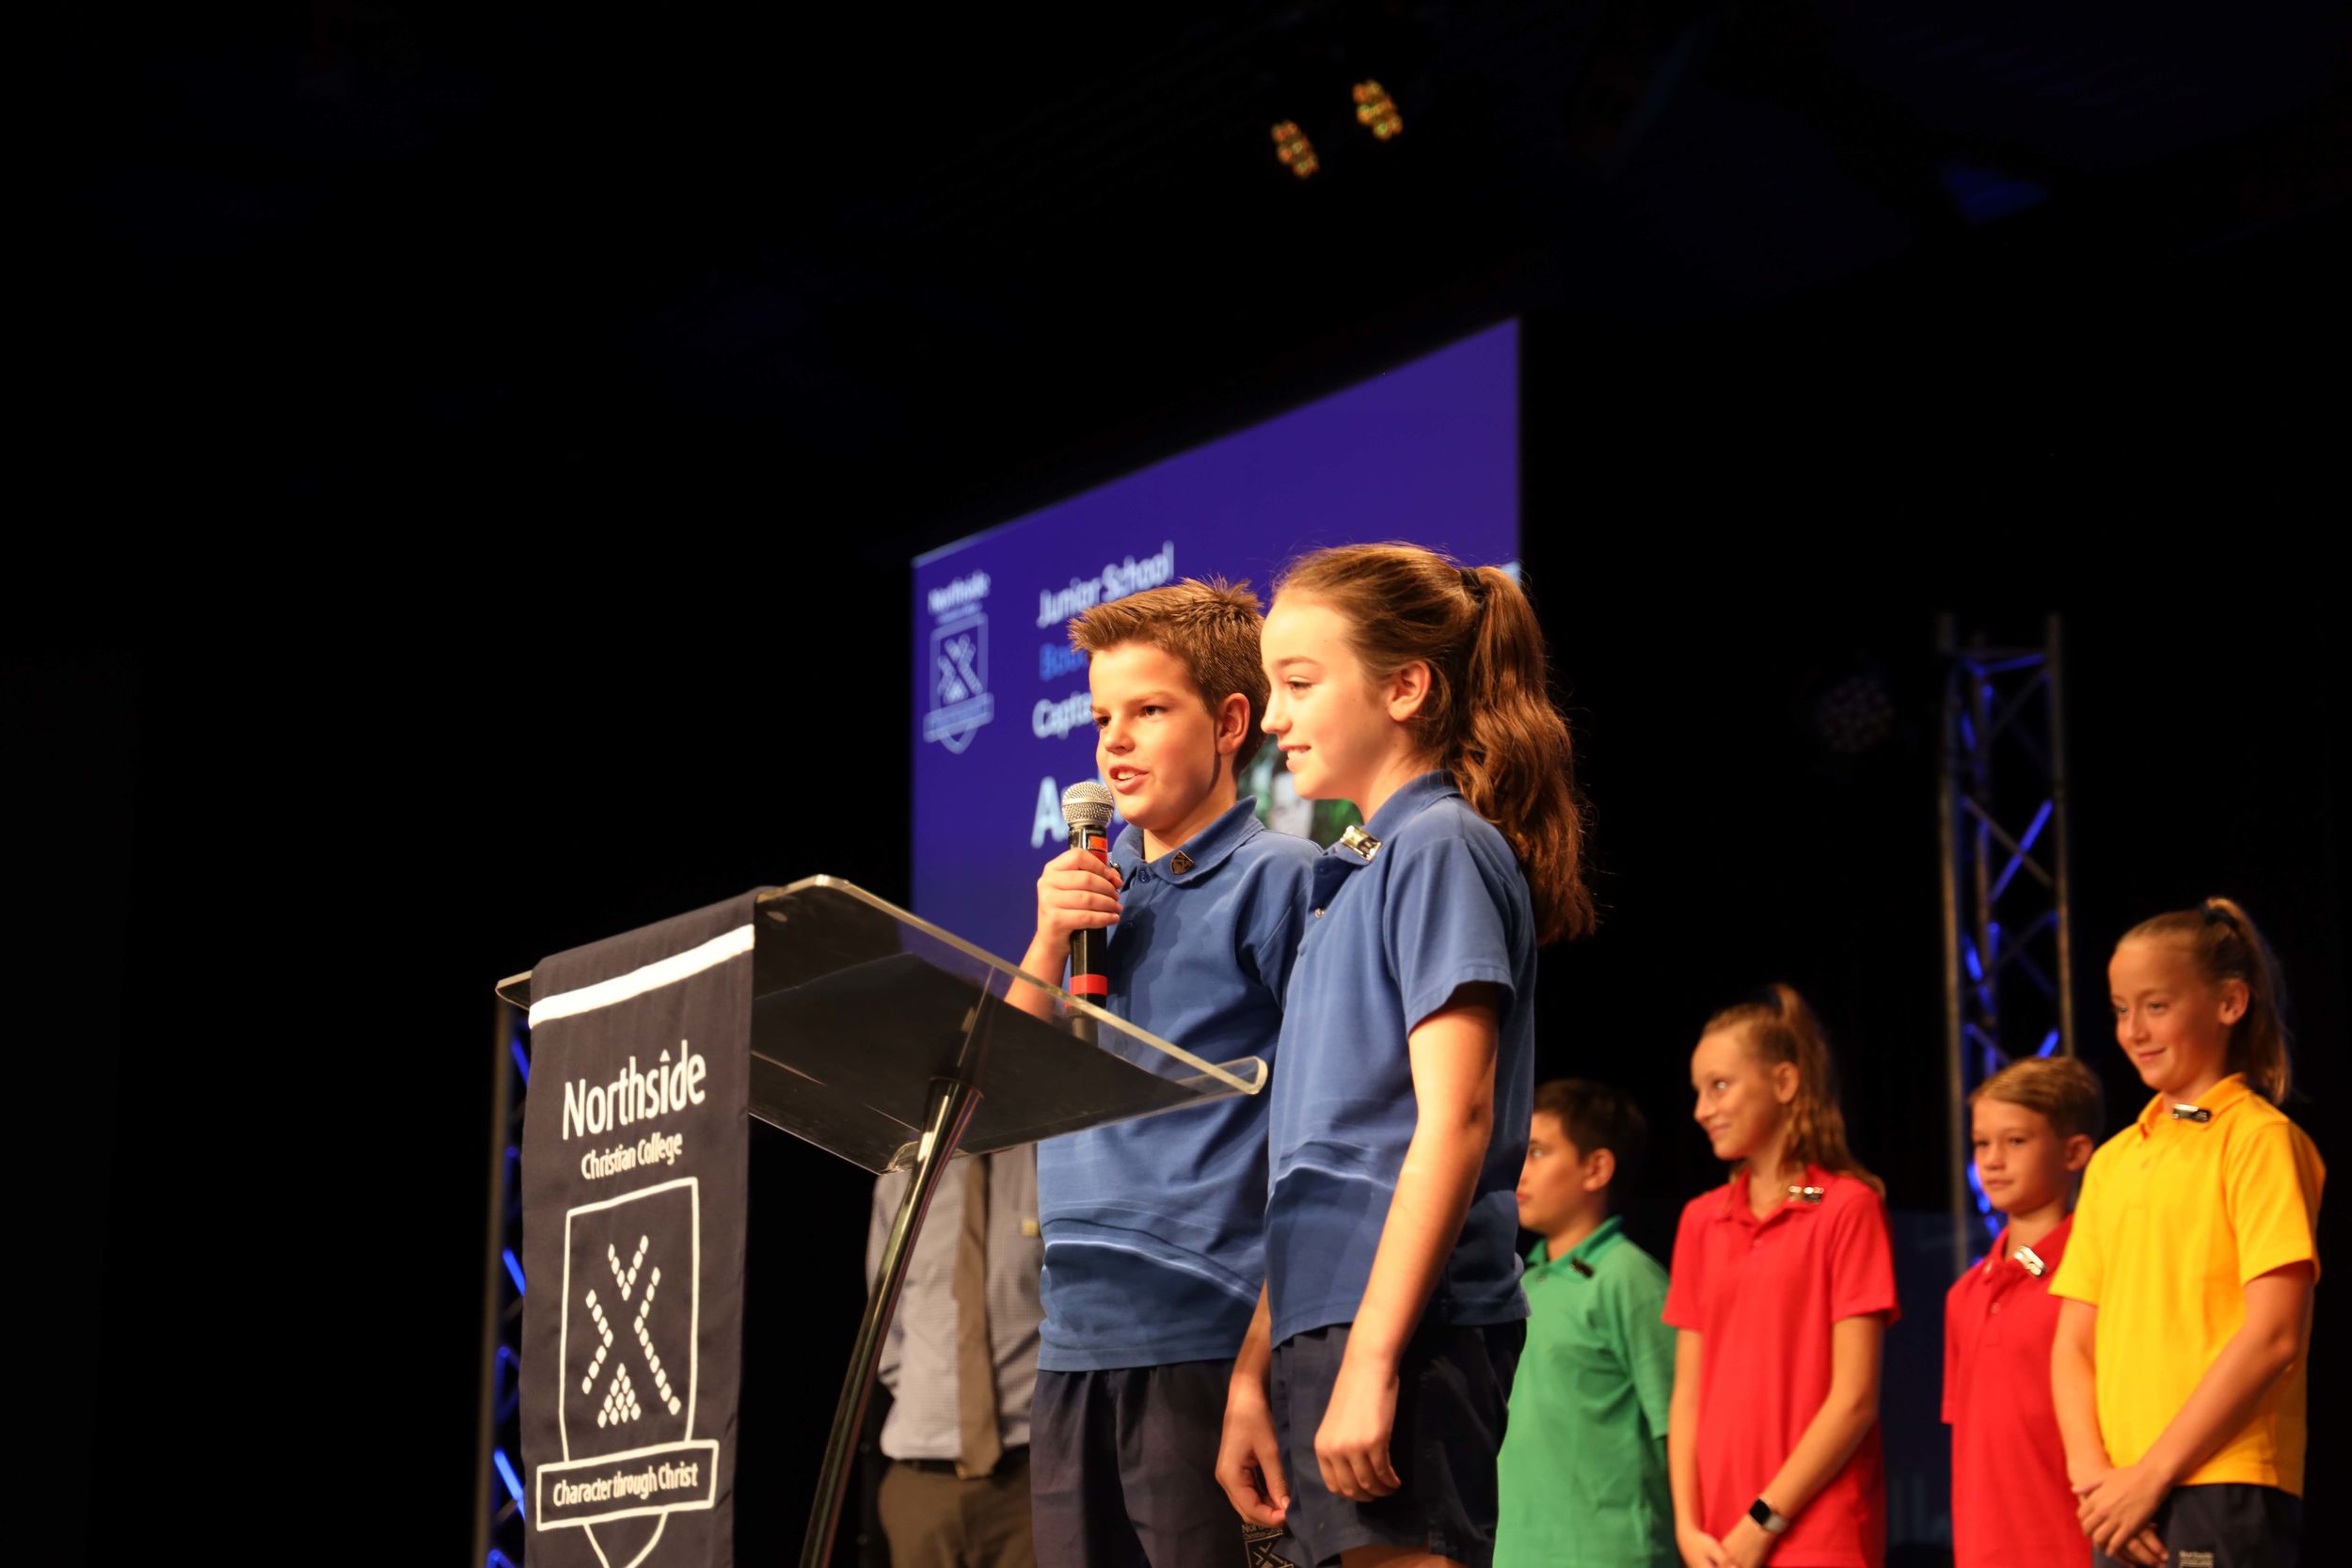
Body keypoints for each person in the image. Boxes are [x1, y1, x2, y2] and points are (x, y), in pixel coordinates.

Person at [1216, 544, 1597, 1568]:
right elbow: (1313, 1158)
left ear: (1405, 687)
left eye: (1300, 683)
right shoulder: (1353, 871)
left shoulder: (1441, 845)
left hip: (1405, 1322)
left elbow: (1456, 1117)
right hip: (1327, 1316)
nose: (1276, 717)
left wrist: (1374, 1355)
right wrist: (1256, 1367)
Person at [1017, 578, 1320, 1568]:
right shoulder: (1093, 893)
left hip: (1207, 1335)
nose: (1114, 741)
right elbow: (998, 1092)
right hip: (1074, 1339)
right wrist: (1047, 938)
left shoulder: (1282, 878)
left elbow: (1322, 1126)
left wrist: (1264, 1349)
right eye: (1102, 717)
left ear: (1230, 723)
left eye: (1148, 710)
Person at [2050, 897, 2325, 1568]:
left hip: (2220, 1479)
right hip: (2118, 1497)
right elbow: (2073, 1342)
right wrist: (2096, 1479)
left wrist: (2152, 1473)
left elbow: (2274, 1333)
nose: (2134, 1030)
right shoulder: (2114, 1160)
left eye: (2157, 1006)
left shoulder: (2258, 1139)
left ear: (2230, 1002)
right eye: (2121, 1009)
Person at [1663, 984, 1898, 1568]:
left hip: (1816, 1532)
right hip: (1718, 1539)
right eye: (1698, 1091)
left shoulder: (1847, 1207)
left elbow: (1855, 1399)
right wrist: (1688, 1527)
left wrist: (1763, 1521)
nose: (1701, 1110)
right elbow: (1686, 1395)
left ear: (1785, 1082)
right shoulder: (1701, 1220)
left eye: (1720, 1086)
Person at [1495, 1079, 1676, 1568]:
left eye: (1538, 1152)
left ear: (1596, 1168)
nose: (1520, 1170)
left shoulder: (1626, 1276)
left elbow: (1683, 1431)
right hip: (1515, 1553)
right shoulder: (1520, 1284)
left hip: (1613, 1553)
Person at [1943, 1055, 2102, 1568]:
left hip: (2075, 1548)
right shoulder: (1964, 1295)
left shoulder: (2095, 1274)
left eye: (2015, 1141)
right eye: (1981, 1143)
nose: (1991, 1161)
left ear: (2074, 1152)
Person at [867, 1146, 1045, 1568]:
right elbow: (885, 1329)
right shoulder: (902, 1175)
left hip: (1032, 1481)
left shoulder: (1048, 1160)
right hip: (924, 1489)